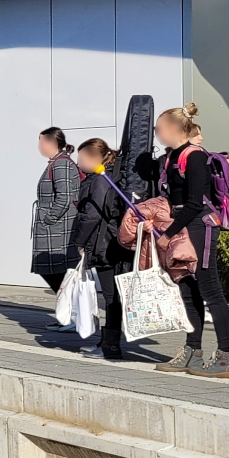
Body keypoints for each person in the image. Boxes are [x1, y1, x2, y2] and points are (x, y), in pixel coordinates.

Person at [151, 103, 229, 378]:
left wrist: (167, 235)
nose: (157, 133)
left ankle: (227, 356)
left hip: (199, 225)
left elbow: (192, 204)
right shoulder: (171, 157)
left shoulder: (195, 157)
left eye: (160, 128)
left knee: (210, 289)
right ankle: (192, 350)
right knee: (187, 291)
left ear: (175, 129)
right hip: (182, 224)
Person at [71, 138, 134, 360]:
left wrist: (79, 241)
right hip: (109, 242)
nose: (79, 163)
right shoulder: (108, 175)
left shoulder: (100, 179)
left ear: (95, 158)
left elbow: (93, 214)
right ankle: (106, 341)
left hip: (106, 244)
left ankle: (111, 346)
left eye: (81, 159)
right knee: (110, 295)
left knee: (110, 296)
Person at [32, 127, 81, 291]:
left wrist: (48, 220)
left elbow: (64, 197)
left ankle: (73, 312)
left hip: (58, 229)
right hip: (55, 227)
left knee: (59, 272)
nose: (38, 146)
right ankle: (71, 311)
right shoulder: (57, 162)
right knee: (56, 273)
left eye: (40, 142)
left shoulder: (61, 164)